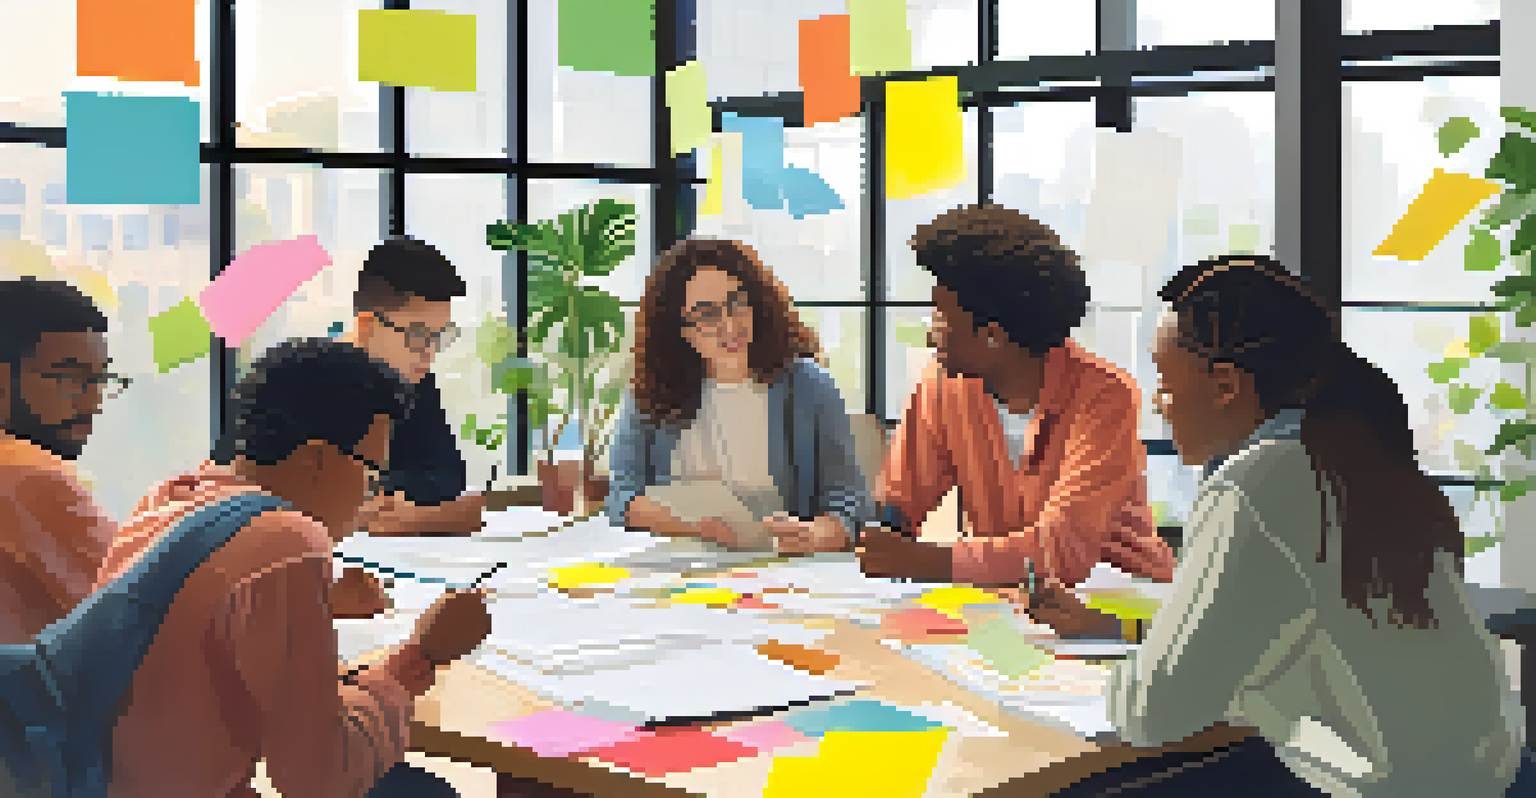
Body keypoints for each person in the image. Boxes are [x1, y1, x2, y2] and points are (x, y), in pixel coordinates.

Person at [1085, 255, 1519, 797]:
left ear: (1225, 387)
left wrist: (1100, 679)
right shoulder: (1354, 457)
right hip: (1485, 774)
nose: (1159, 404)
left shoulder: (1255, 485)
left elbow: (1153, 710)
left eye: (1165, 382)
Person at [100, 338, 492, 798]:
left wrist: (322, 605)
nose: (372, 496)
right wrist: (419, 657)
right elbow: (319, 780)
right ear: (317, 460)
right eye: (372, 476)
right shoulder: (286, 541)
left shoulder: (171, 500)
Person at [857, 204, 1175, 637]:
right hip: (1009, 604)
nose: (931, 333)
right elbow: (899, 501)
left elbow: (1064, 550)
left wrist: (923, 561)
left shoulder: (1104, 396)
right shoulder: (943, 383)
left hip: (1117, 610)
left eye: (940, 315)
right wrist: (870, 532)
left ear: (992, 334)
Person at [607, 237, 871, 552]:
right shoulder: (650, 391)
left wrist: (816, 535)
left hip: (785, 570)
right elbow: (623, 498)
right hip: (683, 568)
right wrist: (693, 529)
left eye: (736, 304)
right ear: (677, 327)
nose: (730, 325)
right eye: (707, 314)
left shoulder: (810, 387)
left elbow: (852, 506)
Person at [340, 236, 487, 537]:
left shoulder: (416, 380)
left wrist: (401, 509)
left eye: (440, 337)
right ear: (367, 326)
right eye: (418, 336)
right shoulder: (298, 381)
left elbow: (449, 479)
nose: (430, 353)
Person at [0, 277, 120, 642]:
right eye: (71, 378)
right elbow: (137, 617)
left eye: (101, 380)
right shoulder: (28, 475)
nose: (93, 403)